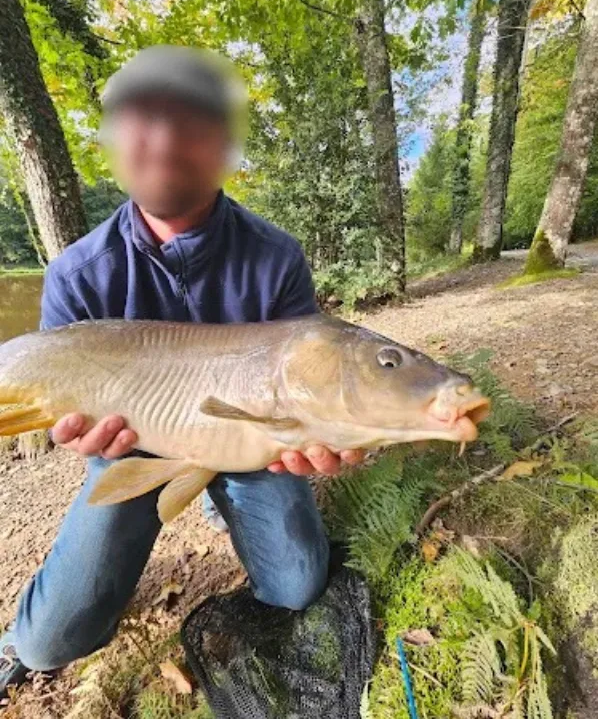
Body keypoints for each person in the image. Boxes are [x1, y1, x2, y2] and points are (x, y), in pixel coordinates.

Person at [0, 46, 365, 698]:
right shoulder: (77, 275)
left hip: (253, 449)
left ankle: (228, 506)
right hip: (135, 451)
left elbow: (311, 383)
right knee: (47, 640)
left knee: (298, 586)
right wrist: (75, 434)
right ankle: (25, 634)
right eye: (144, 119)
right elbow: (59, 415)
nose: (165, 138)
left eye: (190, 120)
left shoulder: (276, 256)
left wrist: (323, 436)